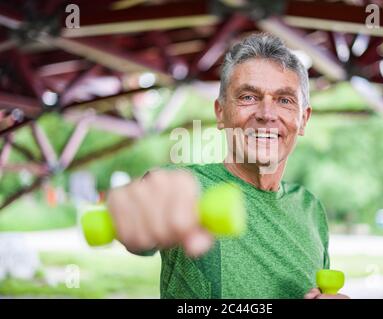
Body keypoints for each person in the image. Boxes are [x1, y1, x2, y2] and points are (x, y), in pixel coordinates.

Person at [107, 33, 349, 299]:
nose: (266, 114)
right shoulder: (187, 186)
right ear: (221, 112)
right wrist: (134, 215)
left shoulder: (311, 209)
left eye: (284, 100)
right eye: (248, 97)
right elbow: (146, 215)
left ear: (303, 119)